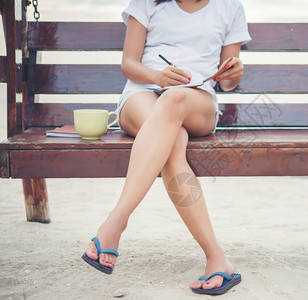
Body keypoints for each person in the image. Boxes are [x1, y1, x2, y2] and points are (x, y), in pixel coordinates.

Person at [81, 0, 251, 295]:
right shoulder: (147, 2)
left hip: (194, 99)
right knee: (172, 144)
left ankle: (116, 221)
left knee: (173, 100)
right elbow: (129, 64)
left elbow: (226, 82)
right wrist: (158, 77)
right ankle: (217, 259)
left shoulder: (229, 7)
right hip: (143, 93)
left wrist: (233, 75)